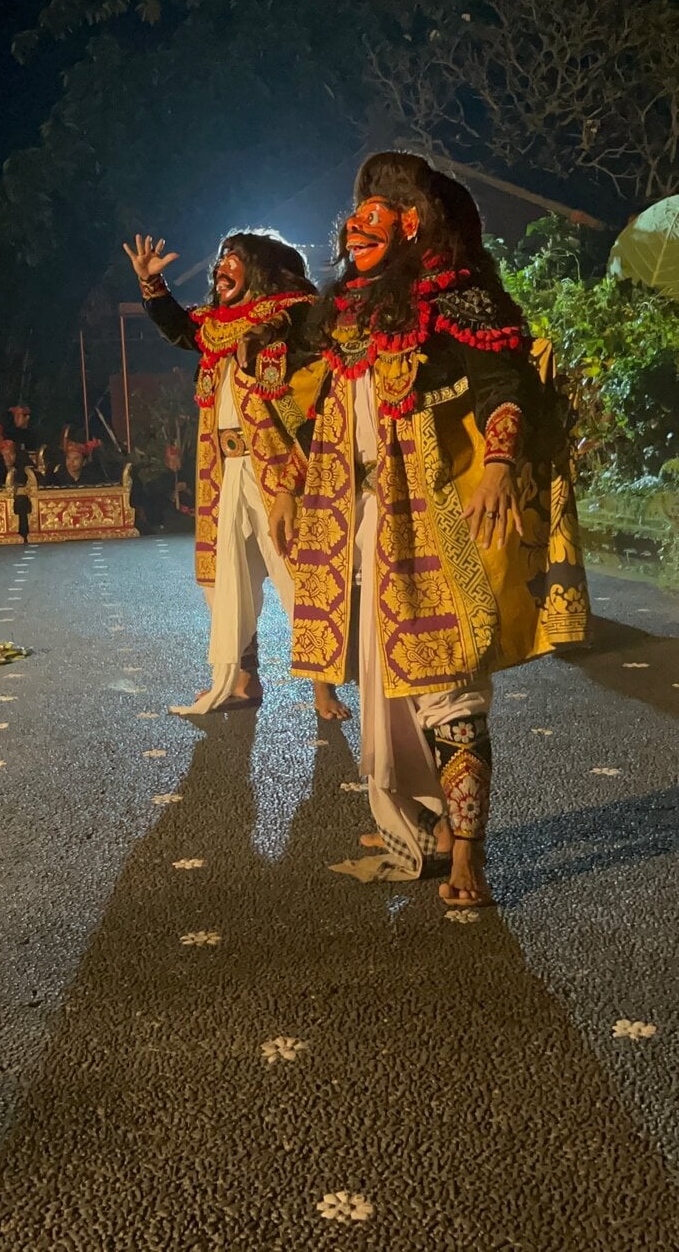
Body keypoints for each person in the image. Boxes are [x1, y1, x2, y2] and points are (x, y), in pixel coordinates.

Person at [270, 152, 590, 907]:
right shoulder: (345, 312)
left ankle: (469, 855)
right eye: (358, 213)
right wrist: (288, 487)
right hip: (362, 520)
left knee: (448, 685)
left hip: (440, 515)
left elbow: (502, 381)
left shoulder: (455, 295)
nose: (360, 224)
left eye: (381, 208)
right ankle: (424, 823)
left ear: (414, 223)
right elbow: (318, 412)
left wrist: (501, 464)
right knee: (386, 691)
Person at [123, 228, 350, 719]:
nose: (221, 266)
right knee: (225, 577)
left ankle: (322, 688)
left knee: (297, 574)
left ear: (262, 268)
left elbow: (298, 334)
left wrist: (260, 334)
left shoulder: (292, 312)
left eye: (234, 258)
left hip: (277, 466)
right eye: (220, 257)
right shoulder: (215, 324)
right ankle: (245, 681)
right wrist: (152, 286)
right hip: (224, 470)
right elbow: (182, 328)